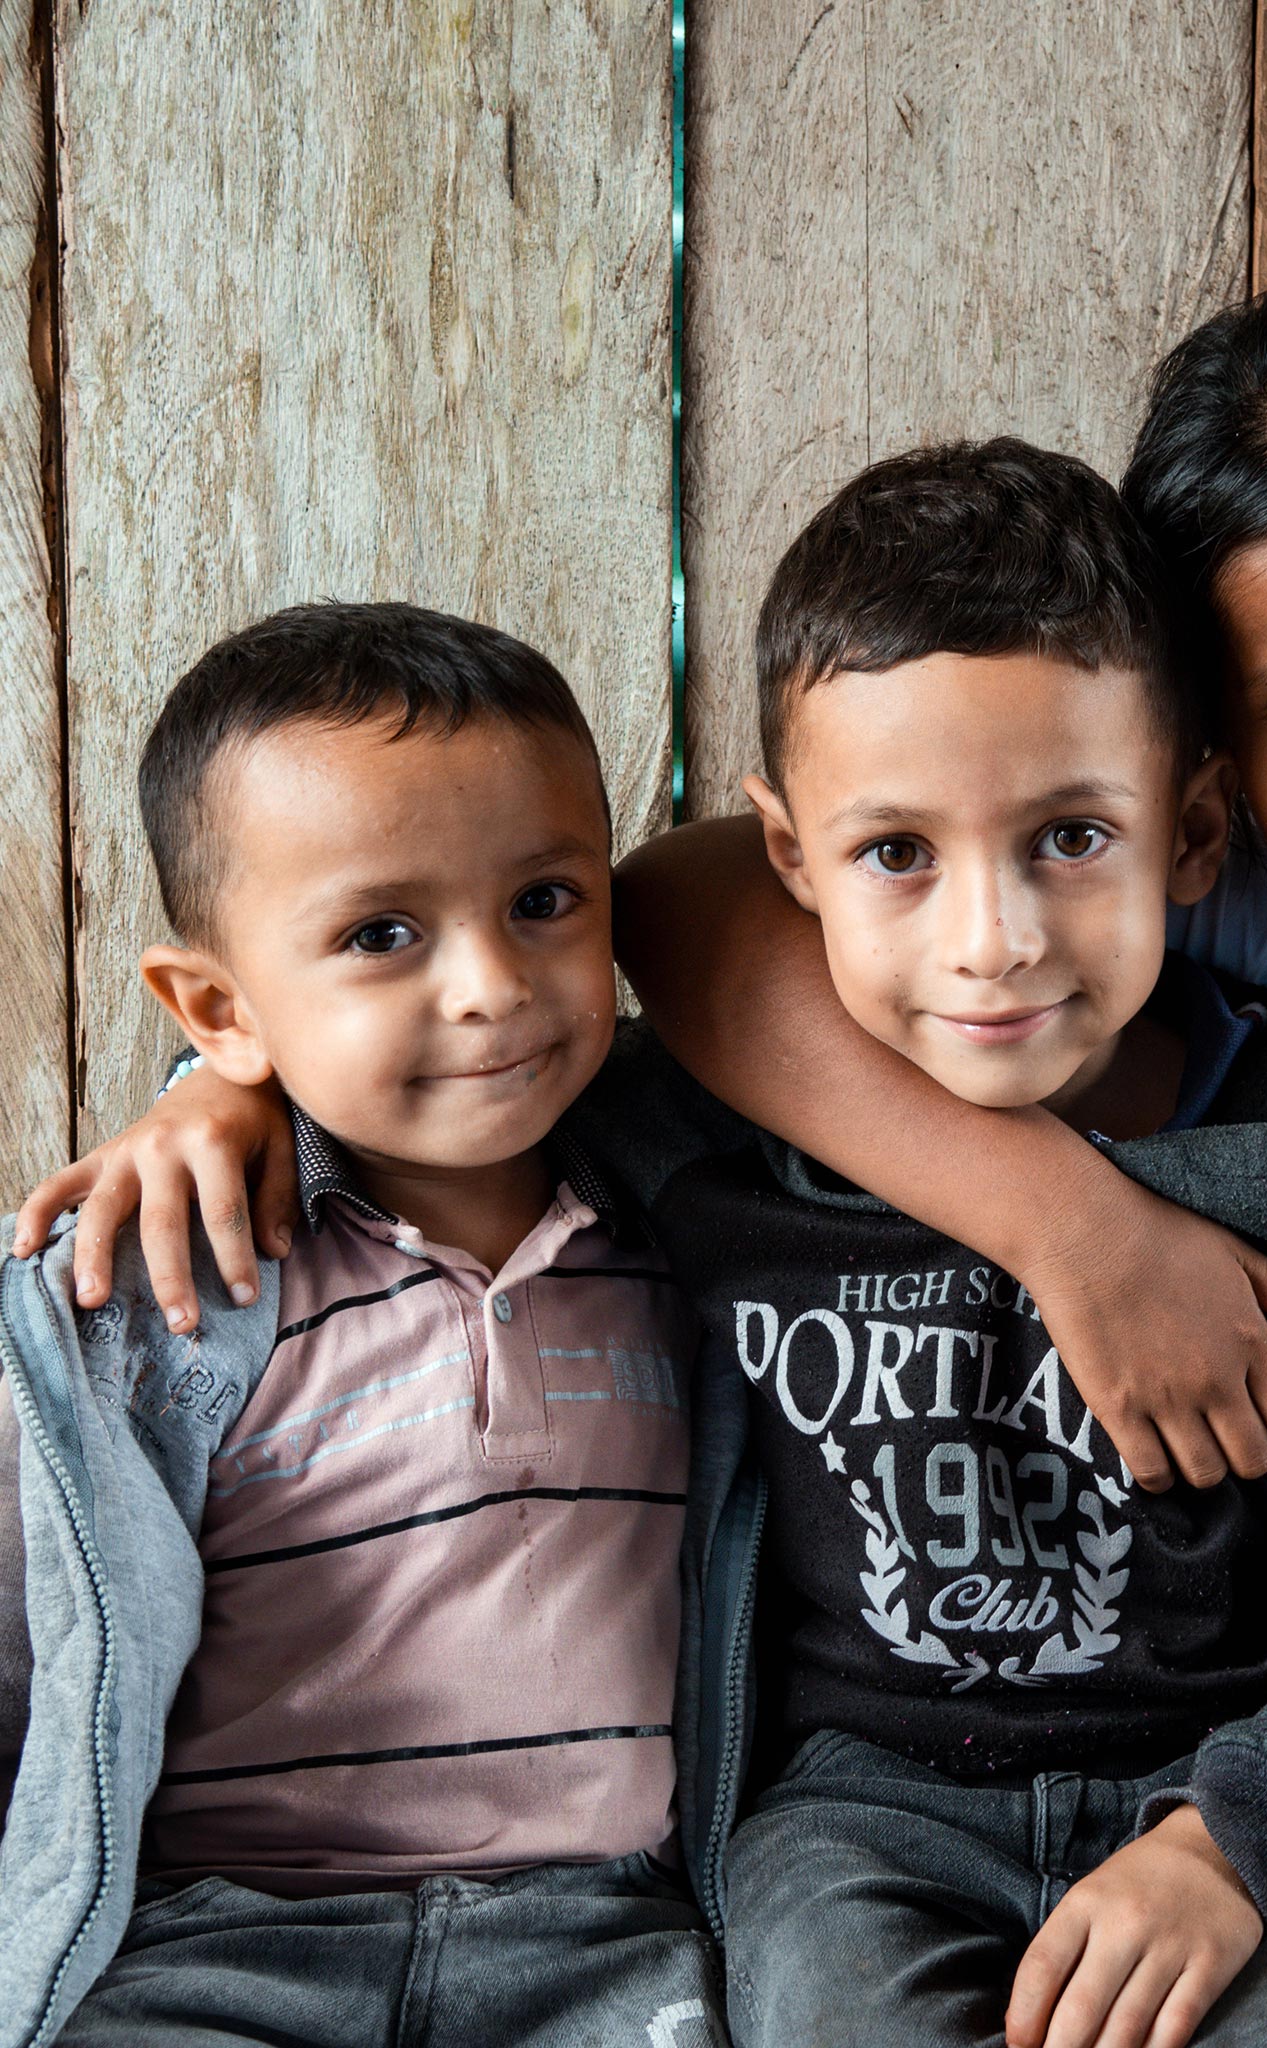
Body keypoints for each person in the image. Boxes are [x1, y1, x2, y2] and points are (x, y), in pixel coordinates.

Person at [23, 443, 1267, 2048]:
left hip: (1209, 1800)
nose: (994, 938)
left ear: (1194, 830)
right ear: (793, 858)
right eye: (899, 854)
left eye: (1072, 839)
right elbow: (526, 1013)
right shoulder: (691, 1144)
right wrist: (219, 1097)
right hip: (853, 1830)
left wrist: (1242, 1846)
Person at [0, 603, 730, 2047]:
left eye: (544, 901)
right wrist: (207, 1090)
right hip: (227, 1941)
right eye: (381, 933)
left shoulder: (699, 1217)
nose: (492, 986)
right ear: (216, 1004)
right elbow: (32, 1649)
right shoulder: (161, 1284)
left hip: (606, 1944)